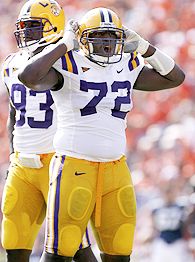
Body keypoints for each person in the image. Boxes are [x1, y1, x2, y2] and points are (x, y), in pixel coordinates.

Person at [18, 6, 185, 262]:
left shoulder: (127, 64)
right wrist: (64, 45)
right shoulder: (69, 61)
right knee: (59, 253)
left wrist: (144, 47)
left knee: (118, 253)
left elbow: (175, 77)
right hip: (74, 166)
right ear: (82, 40)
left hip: (116, 169)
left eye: (111, 37)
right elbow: (28, 76)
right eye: (99, 36)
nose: (107, 43)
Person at [1, 1, 97, 262]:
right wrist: (13, 154)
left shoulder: (69, 61)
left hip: (58, 160)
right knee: (14, 240)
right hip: (23, 163)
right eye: (23, 27)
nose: (26, 33)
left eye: (33, 26)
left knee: (74, 244)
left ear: (54, 26)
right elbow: (14, 114)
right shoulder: (11, 63)